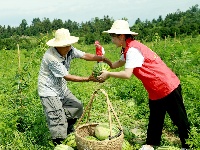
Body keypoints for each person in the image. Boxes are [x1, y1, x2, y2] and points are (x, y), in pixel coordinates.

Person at [98, 20, 191, 150]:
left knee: (179, 119)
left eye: (113, 36)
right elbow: (119, 62)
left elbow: (127, 74)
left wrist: (108, 74)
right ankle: (151, 144)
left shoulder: (132, 50)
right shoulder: (127, 48)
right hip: (155, 87)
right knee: (155, 117)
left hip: (166, 85)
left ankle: (188, 145)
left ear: (121, 36)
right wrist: (107, 62)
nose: (112, 39)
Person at [38, 28, 112, 145]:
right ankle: (59, 142)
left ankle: (66, 127)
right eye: (65, 45)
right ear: (58, 46)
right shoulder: (51, 57)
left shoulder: (69, 49)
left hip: (61, 88)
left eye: (69, 45)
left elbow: (84, 55)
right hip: (49, 91)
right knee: (58, 119)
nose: (69, 47)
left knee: (77, 107)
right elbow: (67, 77)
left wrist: (102, 58)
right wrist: (88, 79)